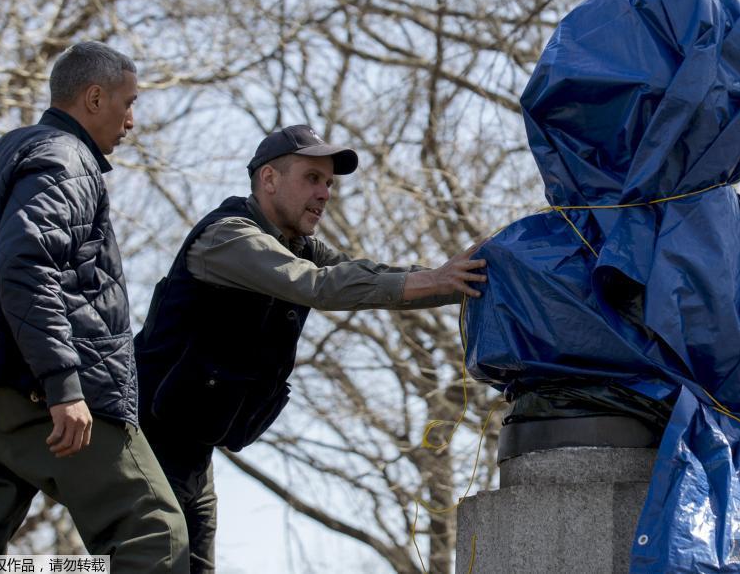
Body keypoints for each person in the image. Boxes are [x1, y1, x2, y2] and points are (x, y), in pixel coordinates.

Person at [134, 124, 487, 573]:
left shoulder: (299, 246)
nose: (324, 194)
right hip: (141, 441)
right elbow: (319, 286)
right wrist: (438, 279)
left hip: (191, 450)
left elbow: (369, 275)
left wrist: (466, 279)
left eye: (329, 184)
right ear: (269, 179)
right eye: (312, 178)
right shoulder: (227, 238)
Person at [0, 42, 189, 572]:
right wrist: (63, 385)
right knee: (154, 534)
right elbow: (24, 267)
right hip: (38, 390)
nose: (132, 121)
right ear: (95, 98)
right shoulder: (66, 159)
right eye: (128, 103)